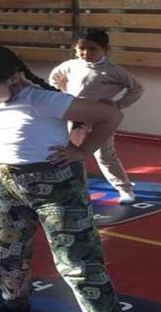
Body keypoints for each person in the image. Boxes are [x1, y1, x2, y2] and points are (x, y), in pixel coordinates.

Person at [0, 45, 129, 312]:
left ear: (14, 77)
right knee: (4, 251)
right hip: (9, 183)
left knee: (76, 260)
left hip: (58, 187)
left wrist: (82, 151)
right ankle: (15, 302)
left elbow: (110, 116)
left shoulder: (43, 99)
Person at [49, 29, 145, 204]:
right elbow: (55, 78)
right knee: (68, 152)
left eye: (92, 49)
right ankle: (68, 188)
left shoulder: (113, 71)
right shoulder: (70, 65)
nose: (86, 53)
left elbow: (137, 89)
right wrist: (63, 96)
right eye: (82, 49)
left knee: (105, 156)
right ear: (75, 48)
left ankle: (124, 189)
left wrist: (117, 105)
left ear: (105, 49)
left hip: (101, 121)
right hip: (75, 118)